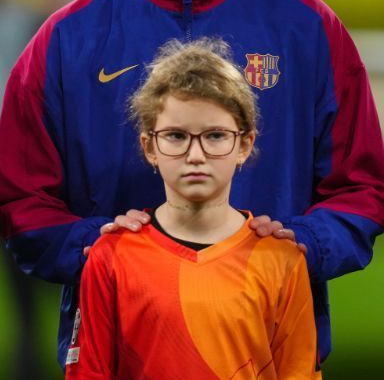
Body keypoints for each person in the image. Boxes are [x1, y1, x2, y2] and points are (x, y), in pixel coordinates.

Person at [0, 0, 384, 367]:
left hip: (268, 358)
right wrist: (99, 249)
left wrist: (295, 249)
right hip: (118, 359)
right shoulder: (65, 41)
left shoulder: (306, 31)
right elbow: (19, 201)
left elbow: (363, 190)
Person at [65, 38, 317, 378]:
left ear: (244, 144)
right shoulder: (110, 257)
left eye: (214, 136)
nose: (195, 155)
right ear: (149, 146)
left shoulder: (282, 259)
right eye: (176, 136)